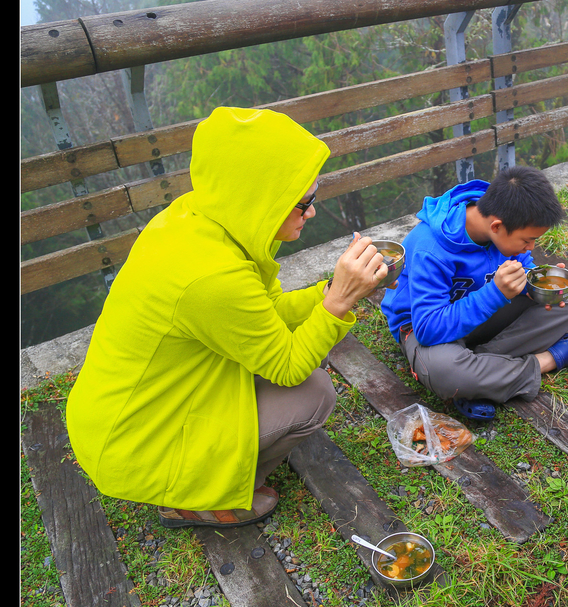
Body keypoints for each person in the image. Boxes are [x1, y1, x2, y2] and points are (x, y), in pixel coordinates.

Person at [66, 106, 389, 529]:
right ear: (261, 200)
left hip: (140, 407)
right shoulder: (213, 276)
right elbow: (288, 366)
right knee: (314, 394)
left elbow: (262, 314)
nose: (311, 212)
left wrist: (331, 292)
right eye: (303, 203)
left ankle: (208, 469)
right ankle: (197, 498)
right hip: (138, 441)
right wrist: (337, 303)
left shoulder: (204, 219)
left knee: (310, 353)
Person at [380, 166, 568, 420]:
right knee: (448, 372)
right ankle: (547, 360)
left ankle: (479, 374)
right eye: (527, 240)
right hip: (423, 328)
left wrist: (536, 283)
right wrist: (494, 293)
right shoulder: (432, 248)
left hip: (479, 313)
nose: (530, 247)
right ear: (496, 226)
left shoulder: (506, 215)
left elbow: (523, 264)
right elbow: (428, 329)